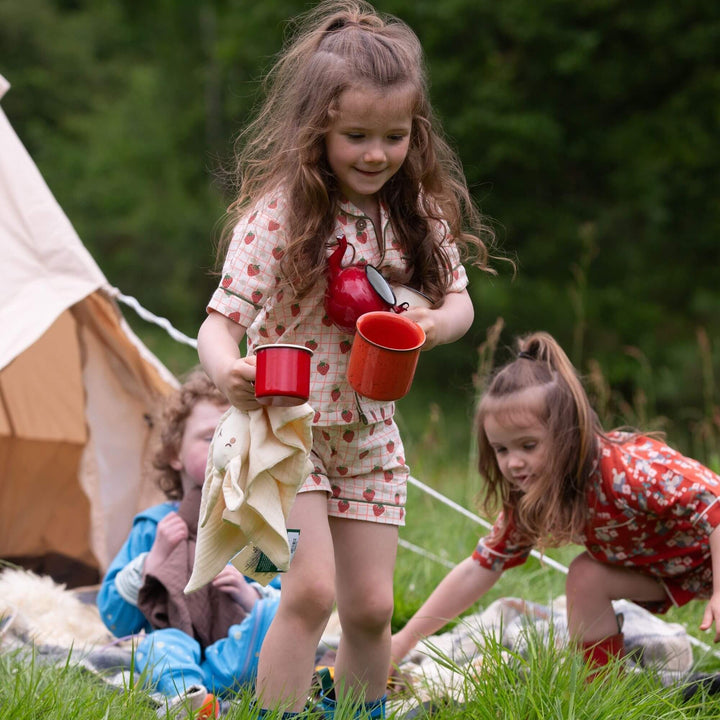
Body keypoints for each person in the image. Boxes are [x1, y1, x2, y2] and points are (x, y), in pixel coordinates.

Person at [196, 1, 494, 716]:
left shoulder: (415, 211)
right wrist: (228, 374)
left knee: (369, 607)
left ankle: (360, 712)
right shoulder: (280, 215)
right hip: (284, 430)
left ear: (414, 132)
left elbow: (460, 302)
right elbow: (216, 326)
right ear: (317, 129)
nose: (375, 153)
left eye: (394, 136)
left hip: (368, 438)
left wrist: (435, 323)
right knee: (307, 592)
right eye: (356, 135)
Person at [390, 331, 720, 677]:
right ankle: (603, 689)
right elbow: (481, 567)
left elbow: (714, 502)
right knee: (585, 576)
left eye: (528, 446)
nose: (513, 462)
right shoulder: (532, 497)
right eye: (502, 450)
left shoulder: (628, 470)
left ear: (569, 434)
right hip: (674, 571)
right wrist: (400, 643)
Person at [97, 369, 281, 718]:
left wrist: (250, 594)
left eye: (238, 437)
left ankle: (217, 683)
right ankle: (188, 693)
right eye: (209, 436)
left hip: (237, 649)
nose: (225, 447)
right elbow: (114, 619)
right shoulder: (156, 526)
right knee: (158, 645)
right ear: (174, 454)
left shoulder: (261, 529)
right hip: (174, 643)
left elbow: (286, 602)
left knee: (278, 615)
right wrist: (153, 562)